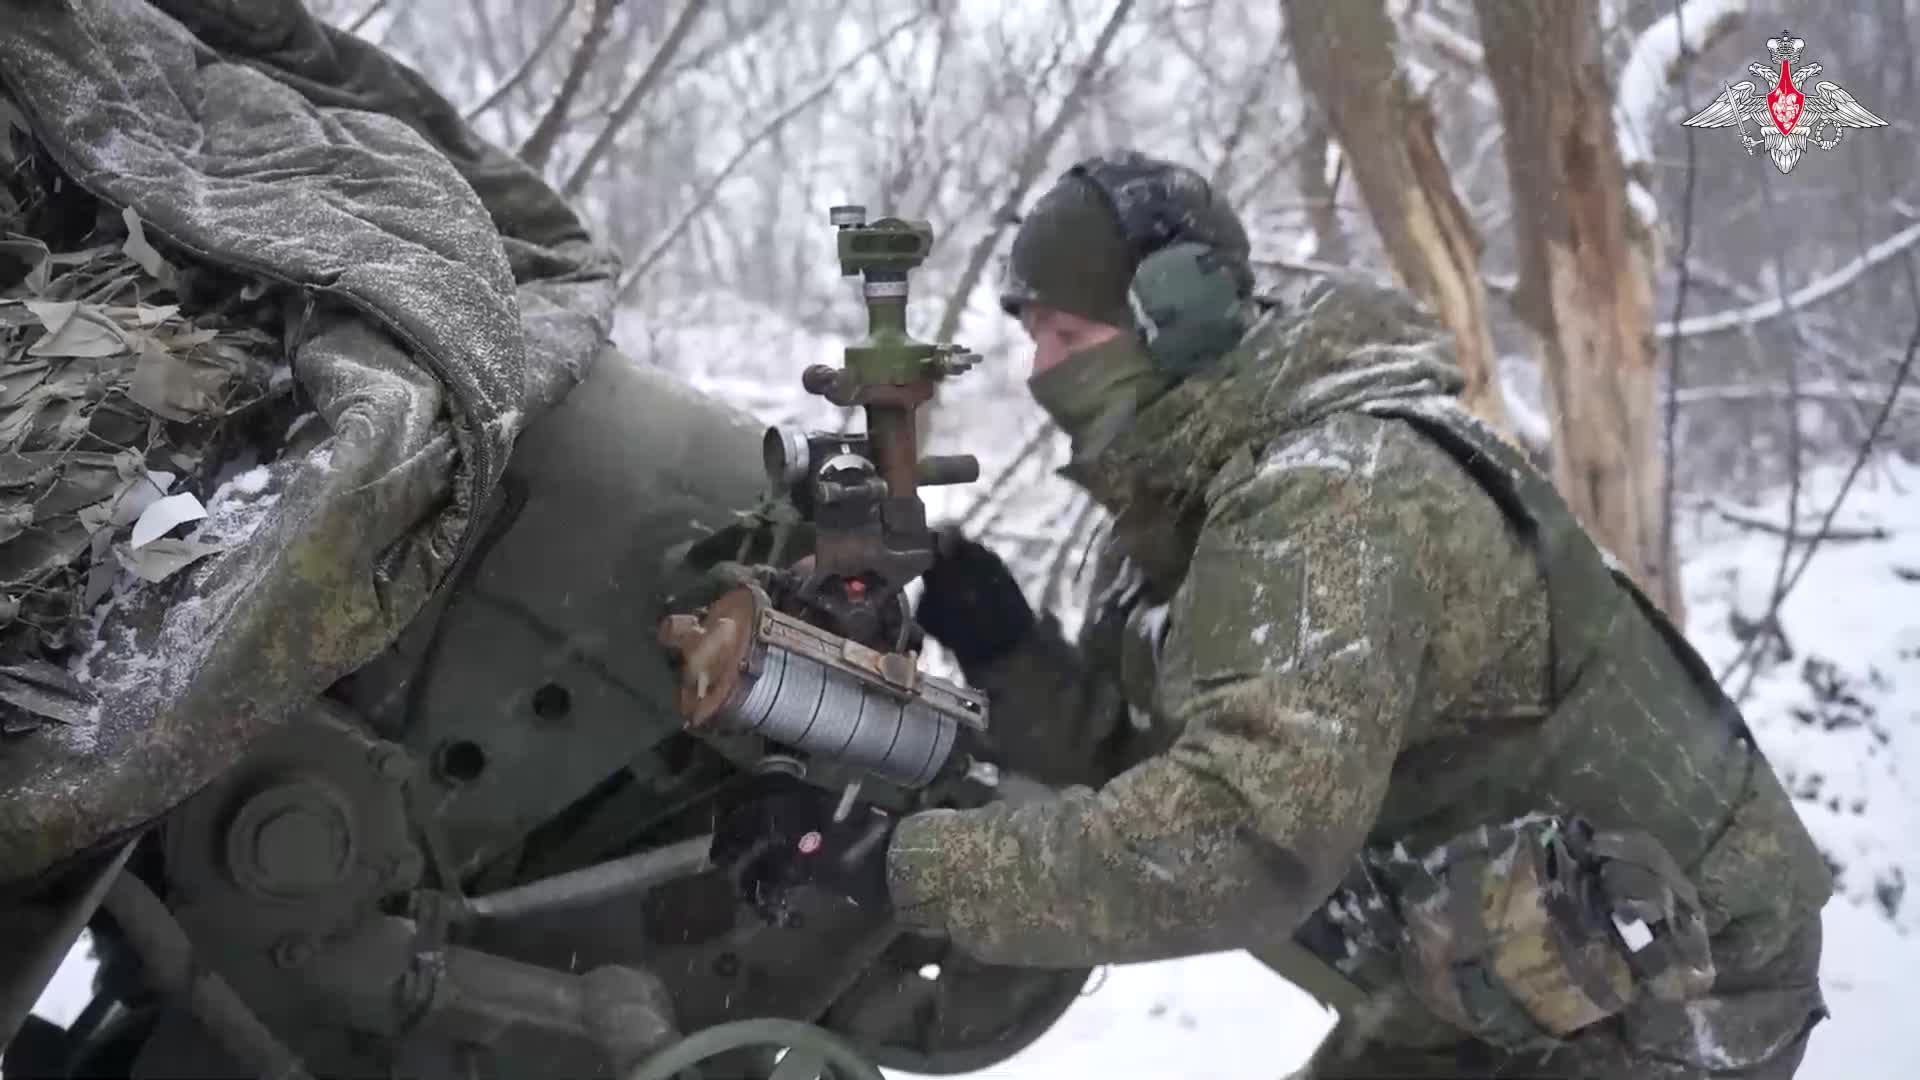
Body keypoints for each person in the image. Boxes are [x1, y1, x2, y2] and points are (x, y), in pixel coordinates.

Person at [710, 150, 1834, 1079]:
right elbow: (1150, 763)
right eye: (1035, 338)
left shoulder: (1336, 498)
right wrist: (1005, 648)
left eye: (1070, 338)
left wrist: (903, 865)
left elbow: (1236, 840)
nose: (1043, 371)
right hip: (1490, 950)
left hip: (1667, 979)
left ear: (1181, 320)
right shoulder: (1191, 501)